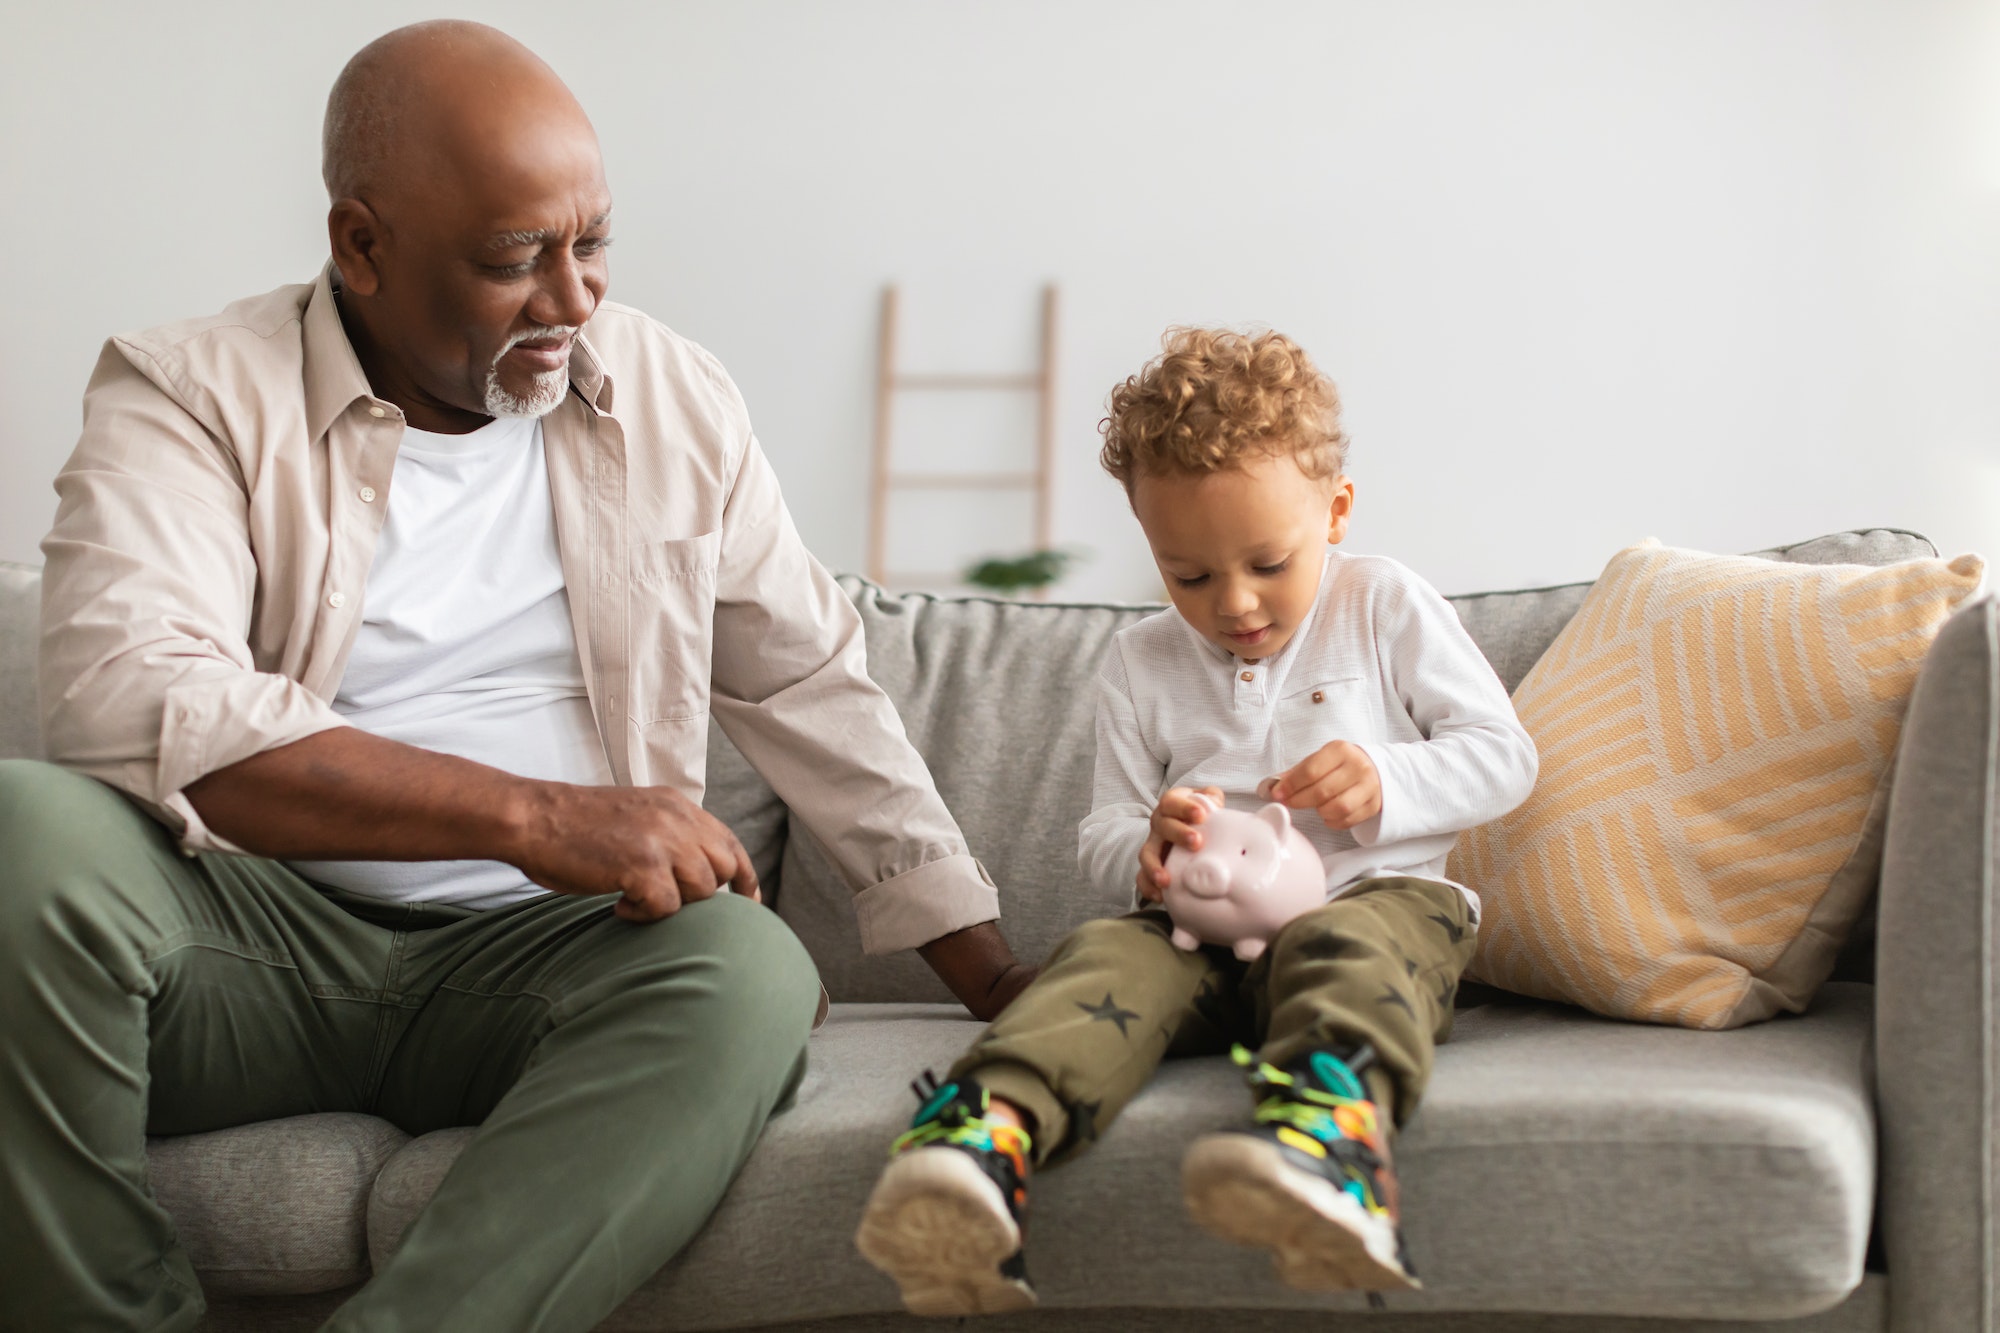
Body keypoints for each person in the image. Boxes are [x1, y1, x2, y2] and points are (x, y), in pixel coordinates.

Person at [1, 20, 1036, 1333]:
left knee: (748, 971)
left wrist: (1004, 980)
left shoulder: (668, 395)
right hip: (244, 948)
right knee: (21, 831)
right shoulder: (189, 391)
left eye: (590, 242)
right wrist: (542, 818)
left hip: (545, 968)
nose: (573, 299)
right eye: (512, 262)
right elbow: (130, 692)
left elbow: (811, 687)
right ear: (360, 245)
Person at [855, 329, 1538, 1313]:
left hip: (1375, 898)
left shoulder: (1381, 604)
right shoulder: (1138, 663)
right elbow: (1101, 829)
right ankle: (981, 1141)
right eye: (1189, 575)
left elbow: (1504, 755)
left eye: (1266, 561)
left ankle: (1332, 1156)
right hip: (1198, 928)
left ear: (1334, 509)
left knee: (1346, 946)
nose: (1235, 603)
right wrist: (1146, 845)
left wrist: (1388, 780)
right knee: (1101, 958)